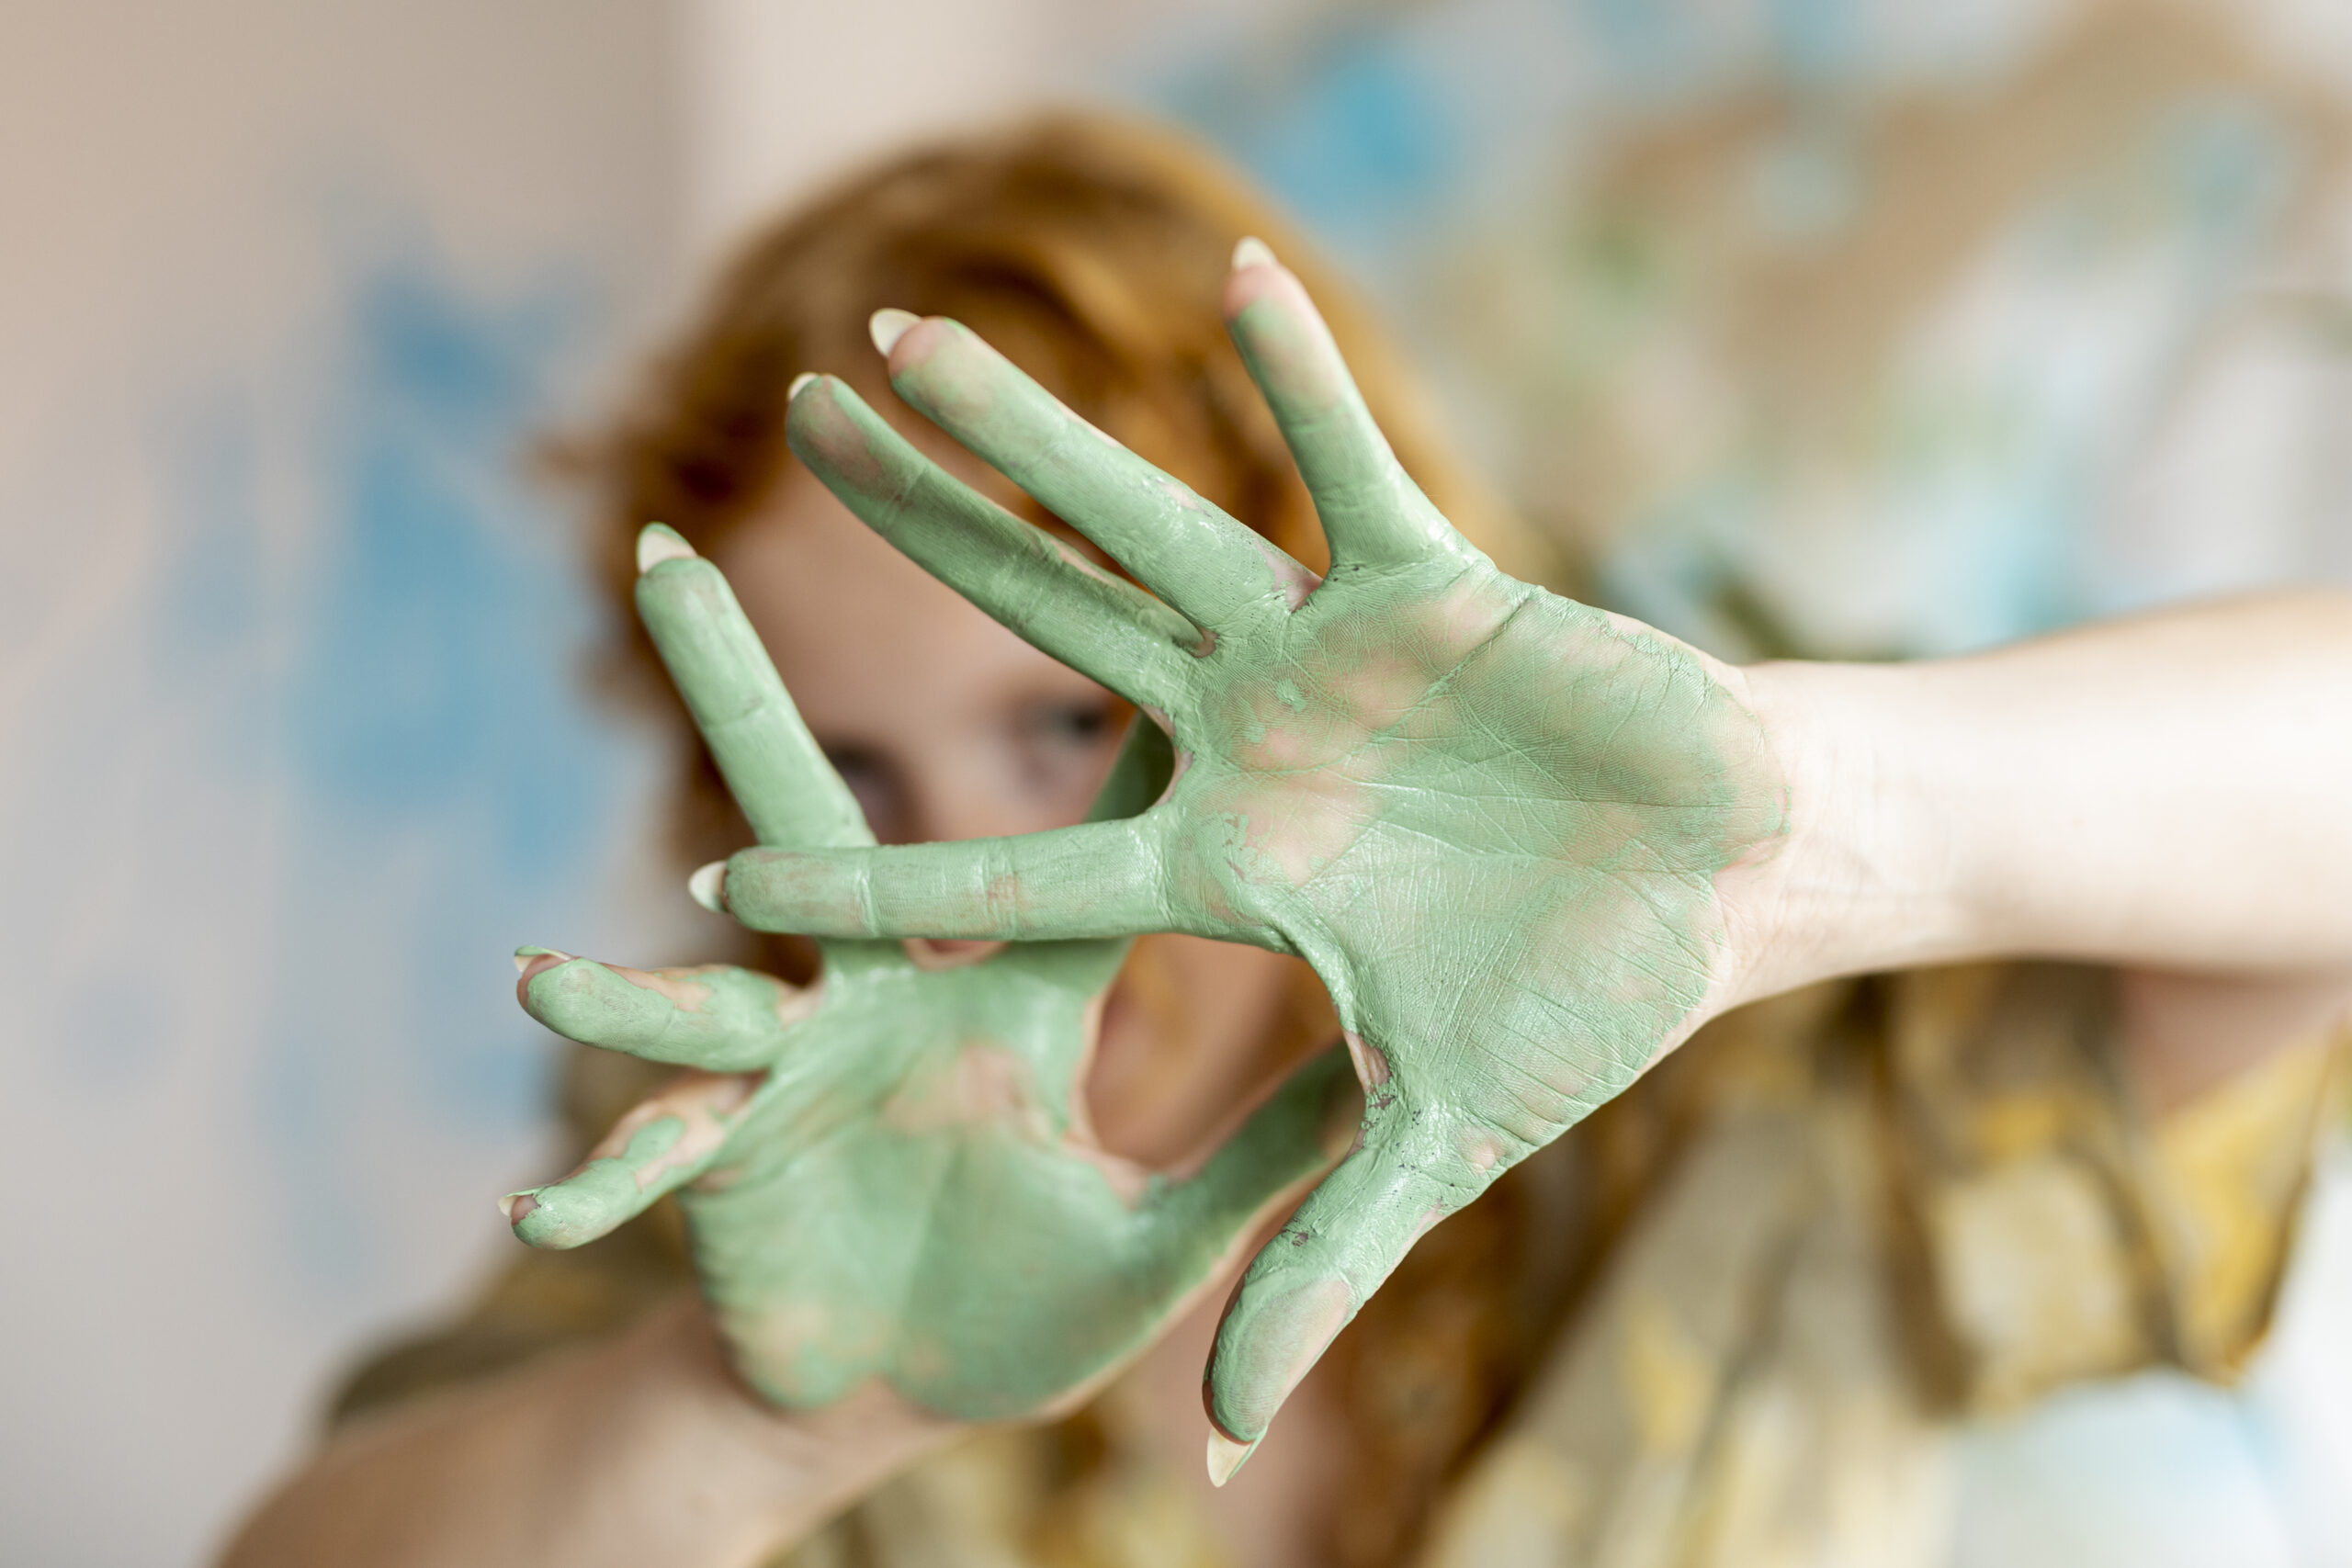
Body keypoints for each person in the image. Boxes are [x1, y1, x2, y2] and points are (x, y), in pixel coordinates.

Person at [220, 116, 2352, 1568]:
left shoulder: (1754, 1094)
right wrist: (745, 1420)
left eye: (1064, 720)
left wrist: (1801, 834)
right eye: (851, 774)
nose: (958, 871)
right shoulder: (752, 1139)